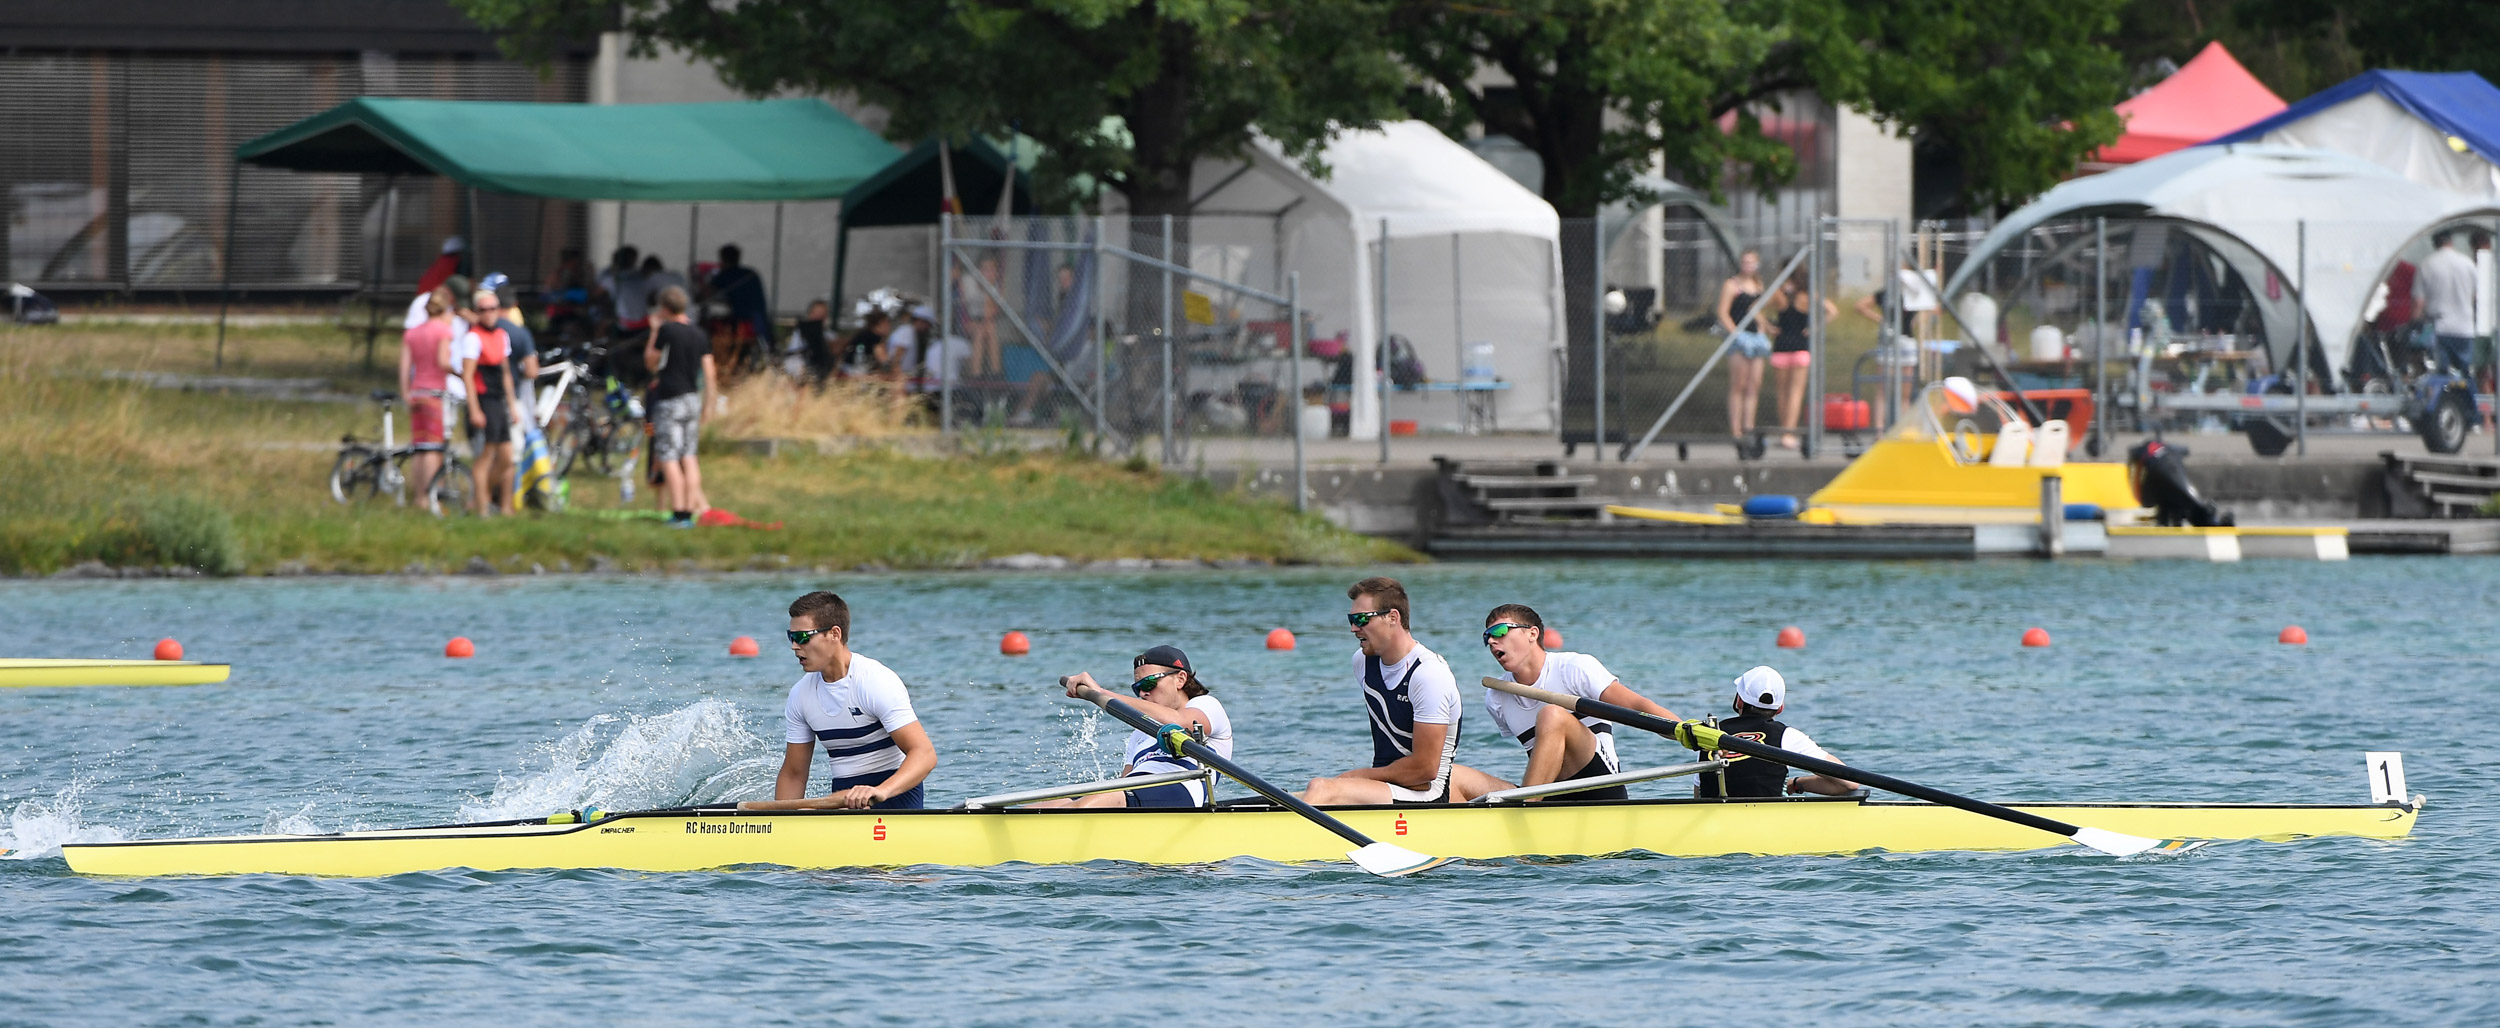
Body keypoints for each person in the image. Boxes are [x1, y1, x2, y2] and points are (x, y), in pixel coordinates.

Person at [1447, 604, 1681, 803]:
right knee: (1450, 777)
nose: (1492, 641)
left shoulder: (1573, 667)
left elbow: (1637, 704)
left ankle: (1522, 814)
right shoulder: (1496, 697)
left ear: (1532, 633)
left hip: (1601, 790)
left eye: (1500, 631)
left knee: (1552, 716)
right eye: (1487, 636)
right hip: (1549, 797)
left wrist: (1689, 732)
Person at [741, 591, 938, 811]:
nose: (794, 646)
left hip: (896, 801)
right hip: (843, 803)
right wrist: (781, 826)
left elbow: (924, 753)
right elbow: (794, 775)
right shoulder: (800, 695)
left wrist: (880, 791)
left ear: (835, 634)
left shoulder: (875, 682)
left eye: (803, 637)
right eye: (791, 636)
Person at [1302, 577, 1463, 806]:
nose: (1353, 628)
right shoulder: (1362, 662)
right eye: (1351, 619)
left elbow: (1425, 769)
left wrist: (1357, 777)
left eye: (1361, 619)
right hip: (1388, 787)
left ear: (1393, 617)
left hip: (1428, 795)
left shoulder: (1429, 674)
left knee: (1321, 787)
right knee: (1317, 790)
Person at [1044, 646, 1234, 808]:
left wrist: (1100, 693)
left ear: (1180, 679)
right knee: (1048, 804)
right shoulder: (1139, 733)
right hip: (1135, 789)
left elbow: (1177, 721)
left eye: (1149, 683)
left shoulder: (1207, 706)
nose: (1142, 693)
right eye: (1137, 688)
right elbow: (1124, 781)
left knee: (1086, 805)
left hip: (1179, 790)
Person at [1692, 666, 1857, 798]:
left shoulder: (1710, 734)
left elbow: (1698, 796)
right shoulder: (1787, 736)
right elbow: (1849, 782)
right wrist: (1797, 784)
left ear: (1739, 701)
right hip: (1769, 824)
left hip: (1713, 826)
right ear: (1780, 708)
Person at [644, 285, 716, 526]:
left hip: (670, 400)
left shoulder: (667, 330)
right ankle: (690, 511)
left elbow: (651, 363)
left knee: (669, 455)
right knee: (689, 455)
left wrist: (654, 331)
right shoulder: (699, 333)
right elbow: (709, 372)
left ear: (664, 309)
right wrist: (709, 404)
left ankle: (679, 512)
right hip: (692, 400)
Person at [459, 288, 519, 516]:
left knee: (506, 457)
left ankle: (482, 496)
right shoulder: (473, 338)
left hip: (498, 399)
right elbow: (468, 376)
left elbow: (505, 373)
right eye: (483, 310)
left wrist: (512, 405)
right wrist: (474, 409)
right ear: (477, 312)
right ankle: (481, 508)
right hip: (484, 400)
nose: (489, 313)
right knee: (486, 455)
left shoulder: (501, 336)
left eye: (492, 308)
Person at [398, 290, 456, 507]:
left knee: (419, 445)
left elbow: (405, 367)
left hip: (416, 392)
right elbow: (443, 361)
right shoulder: (444, 331)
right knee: (433, 446)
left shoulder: (412, 334)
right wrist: (460, 371)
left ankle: (419, 495)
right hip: (435, 394)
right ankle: (431, 496)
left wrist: (406, 393)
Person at [1768, 278, 1837, 450]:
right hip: (1800, 346)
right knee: (1795, 393)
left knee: (1782, 393)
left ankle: (1785, 430)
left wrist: (1768, 327)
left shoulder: (1778, 295)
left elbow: (1754, 308)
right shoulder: (1808, 295)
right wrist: (1813, 328)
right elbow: (1832, 311)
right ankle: (1788, 433)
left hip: (1781, 345)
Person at [1717, 250, 1769, 453]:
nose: (1747, 266)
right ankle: (1736, 429)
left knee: (1753, 384)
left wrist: (1764, 329)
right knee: (1738, 384)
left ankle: (1749, 426)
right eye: (1744, 262)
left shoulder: (1758, 285)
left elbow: (1759, 311)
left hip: (1755, 337)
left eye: (1751, 262)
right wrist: (1736, 335)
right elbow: (1723, 312)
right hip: (1739, 338)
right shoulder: (1732, 285)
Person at [2420, 228, 2479, 378]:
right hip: (2465, 327)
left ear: (2435, 243)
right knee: (2466, 372)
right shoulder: (2468, 263)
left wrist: (2416, 323)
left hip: (2440, 327)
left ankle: (2444, 397)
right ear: (2451, 242)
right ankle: (2467, 397)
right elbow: (2475, 296)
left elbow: (2418, 301)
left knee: (2441, 372)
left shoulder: (2427, 264)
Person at [705, 243, 772, 350]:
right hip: (758, 323)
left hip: (741, 324)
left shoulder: (725, 275)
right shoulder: (751, 274)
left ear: (722, 259)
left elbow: (706, 294)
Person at [600, 246, 650, 337]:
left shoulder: (611, 278)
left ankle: (599, 350)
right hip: (643, 325)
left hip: (625, 325)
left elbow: (595, 294)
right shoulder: (643, 277)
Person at [786, 299, 837, 383]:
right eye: (817, 314)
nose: (820, 317)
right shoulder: (800, 334)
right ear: (810, 314)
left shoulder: (831, 335)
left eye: (823, 315)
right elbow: (793, 360)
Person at [842, 309, 893, 377]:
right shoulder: (875, 337)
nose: (889, 326)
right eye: (887, 322)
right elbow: (883, 359)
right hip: (854, 371)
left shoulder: (865, 334)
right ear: (881, 323)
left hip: (849, 368)